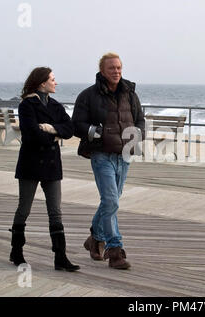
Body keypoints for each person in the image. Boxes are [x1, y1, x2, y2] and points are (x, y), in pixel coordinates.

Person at [72, 52, 145, 270]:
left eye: (119, 68)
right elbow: (77, 124)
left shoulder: (130, 94)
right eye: (112, 68)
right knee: (111, 200)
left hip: (124, 155)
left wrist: (138, 135)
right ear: (102, 71)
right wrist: (96, 132)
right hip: (101, 154)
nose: (116, 71)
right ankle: (115, 250)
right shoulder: (88, 95)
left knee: (110, 202)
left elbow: (140, 119)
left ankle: (95, 237)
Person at [9, 67, 80, 272]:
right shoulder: (27, 105)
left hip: (51, 163)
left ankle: (60, 257)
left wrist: (49, 128)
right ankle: (16, 251)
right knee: (24, 209)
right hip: (30, 163)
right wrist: (55, 133)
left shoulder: (56, 105)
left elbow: (70, 129)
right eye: (52, 79)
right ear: (42, 83)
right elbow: (31, 134)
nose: (55, 83)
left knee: (56, 212)